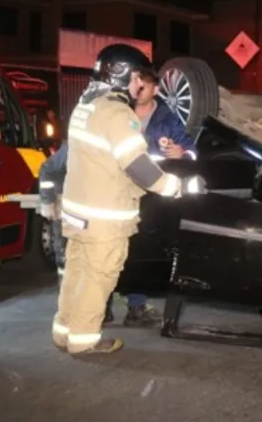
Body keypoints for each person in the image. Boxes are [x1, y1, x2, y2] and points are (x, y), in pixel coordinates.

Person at [42, 43, 203, 355]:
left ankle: (64, 330)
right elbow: (137, 165)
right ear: (123, 75)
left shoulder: (86, 106)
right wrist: (175, 187)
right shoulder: (117, 113)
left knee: (76, 272)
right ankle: (84, 340)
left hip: (78, 212)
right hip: (104, 217)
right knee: (99, 276)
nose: (139, 85)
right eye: (137, 78)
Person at [114, 69, 198, 327]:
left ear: (156, 90)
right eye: (135, 83)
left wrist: (180, 152)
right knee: (111, 247)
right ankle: (101, 307)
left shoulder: (167, 118)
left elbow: (193, 152)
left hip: (152, 198)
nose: (138, 89)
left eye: (144, 85)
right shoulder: (118, 112)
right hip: (117, 190)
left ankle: (136, 307)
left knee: (139, 248)